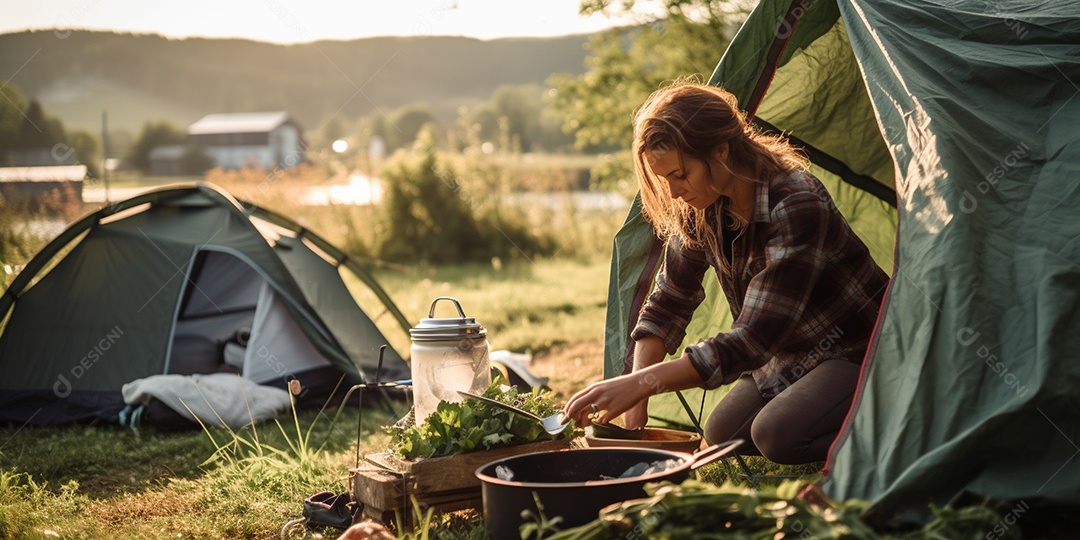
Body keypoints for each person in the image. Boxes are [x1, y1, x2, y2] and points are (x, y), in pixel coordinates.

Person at [563, 81, 889, 465]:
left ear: (721, 151)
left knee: (776, 434)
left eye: (680, 174)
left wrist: (639, 383)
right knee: (722, 434)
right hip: (788, 357)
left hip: (858, 349)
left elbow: (752, 340)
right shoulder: (703, 204)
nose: (673, 192)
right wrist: (639, 399)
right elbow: (669, 300)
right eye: (664, 179)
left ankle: (895, 439)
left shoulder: (796, 204)